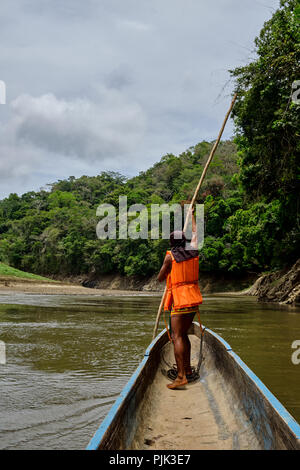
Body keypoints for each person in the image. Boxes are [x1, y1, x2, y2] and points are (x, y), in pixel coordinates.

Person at [157, 207, 203, 389]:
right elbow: (196, 233)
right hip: (193, 300)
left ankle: (181, 376)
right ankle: (188, 371)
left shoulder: (170, 257)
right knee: (183, 334)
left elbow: (160, 277)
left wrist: (166, 269)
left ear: (171, 243)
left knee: (176, 336)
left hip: (180, 301)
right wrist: (191, 216)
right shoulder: (193, 251)